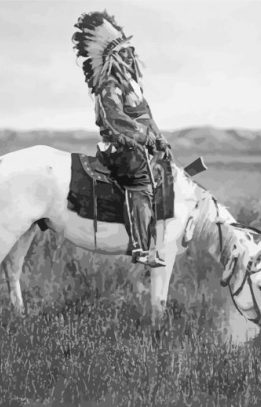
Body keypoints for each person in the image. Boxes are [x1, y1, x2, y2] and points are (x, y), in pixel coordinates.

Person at [73, 11, 172, 267]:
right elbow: (115, 119)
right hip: (121, 149)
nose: (130, 55)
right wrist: (145, 137)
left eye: (131, 51)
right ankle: (141, 248)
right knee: (140, 182)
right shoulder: (109, 85)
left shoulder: (133, 86)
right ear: (113, 57)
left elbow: (146, 116)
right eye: (124, 52)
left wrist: (159, 140)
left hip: (140, 147)